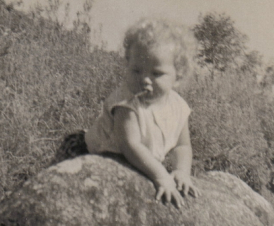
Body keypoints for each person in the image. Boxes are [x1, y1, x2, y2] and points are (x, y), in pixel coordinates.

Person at [59, 18, 200, 208]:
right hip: (91, 151)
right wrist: (161, 176)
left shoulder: (178, 107)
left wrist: (182, 171)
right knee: (66, 196)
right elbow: (130, 144)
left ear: (178, 76)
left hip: (136, 157)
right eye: (136, 70)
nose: (145, 80)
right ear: (127, 64)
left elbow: (182, 146)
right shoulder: (126, 102)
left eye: (156, 73)